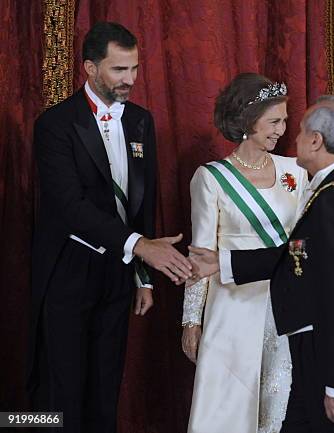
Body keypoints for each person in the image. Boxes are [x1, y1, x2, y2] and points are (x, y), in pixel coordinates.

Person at [188, 96, 334, 433]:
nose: (291, 138)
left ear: (315, 140)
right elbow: (301, 252)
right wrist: (224, 263)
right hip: (332, 350)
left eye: (298, 131)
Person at [29, 22, 193, 433]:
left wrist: (143, 278)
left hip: (118, 274)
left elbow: (141, 203)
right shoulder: (55, 125)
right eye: (120, 70)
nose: (130, 79)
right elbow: (70, 206)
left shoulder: (141, 121)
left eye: (135, 68)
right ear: (89, 67)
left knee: (105, 389)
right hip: (68, 273)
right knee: (63, 393)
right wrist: (142, 247)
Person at [181, 73, 308, 433]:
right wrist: (191, 321)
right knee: (228, 407)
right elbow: (201, 255)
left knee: (278, 401)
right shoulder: (211, 178)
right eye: (274, 121)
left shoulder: (294, 171)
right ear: (249, 121)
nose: (282, 129)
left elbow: (304, 243)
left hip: (282, 302)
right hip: (231, 305)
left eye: (284, 120)